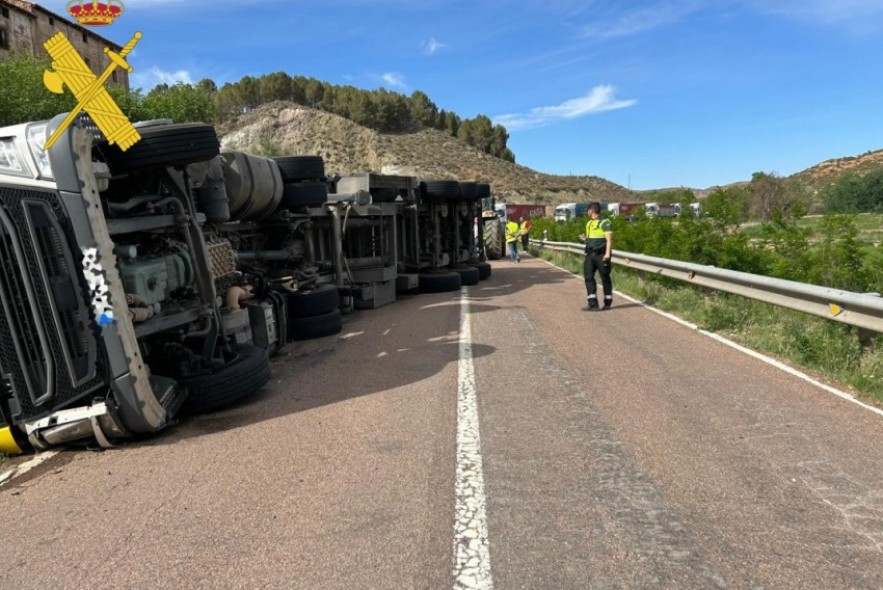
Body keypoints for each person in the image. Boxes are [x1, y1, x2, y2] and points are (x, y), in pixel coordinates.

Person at [578, 202, 613, 310]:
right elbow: (592, 239)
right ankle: (592, 304)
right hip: (590, 254)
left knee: (605, 278)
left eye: (588, 210)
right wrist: (585, 239)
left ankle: (607, 303)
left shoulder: (604, 222)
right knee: (588, 277)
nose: (587, 213)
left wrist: (607, 254)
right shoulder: (589, 223)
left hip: (601, 255)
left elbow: (609, 239)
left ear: (591, 211)